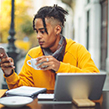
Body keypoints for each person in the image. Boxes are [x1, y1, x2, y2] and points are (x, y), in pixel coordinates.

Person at [0, 4, 99, 91]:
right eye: (37, 31)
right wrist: (9, 74)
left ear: (57, 29)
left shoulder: (77, 50)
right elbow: (21, 90)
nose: (38, 36)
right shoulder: (33, 54)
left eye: (42, 31)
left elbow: (94, 80)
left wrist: (59, 67)